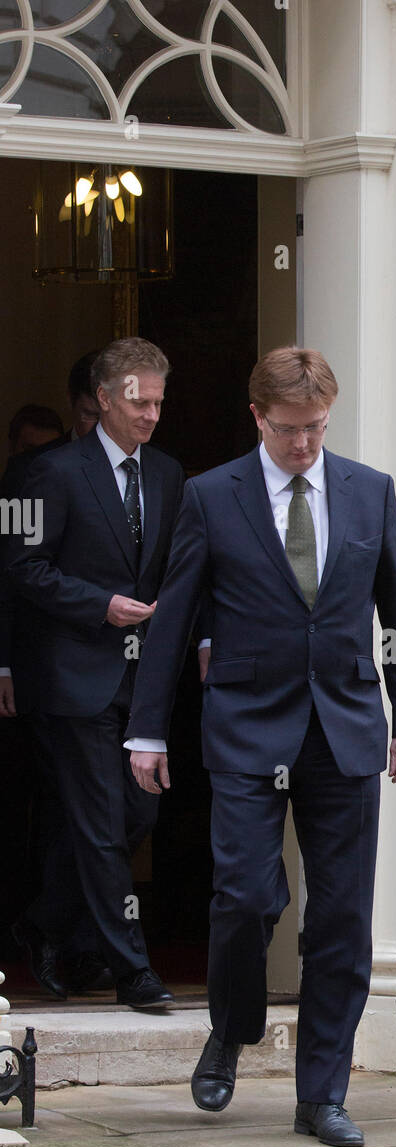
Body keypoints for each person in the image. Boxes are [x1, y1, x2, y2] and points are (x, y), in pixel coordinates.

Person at [125, 345, 396, 1147]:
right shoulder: (209, 497)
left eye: (319, 428)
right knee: (247, 898)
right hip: (248, 728)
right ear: (258, 417)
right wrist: (147, 729)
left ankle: (321, 1095)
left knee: (341, 921)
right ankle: (231, 1028)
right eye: (291, 429)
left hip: (346, 731)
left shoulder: (369, 492)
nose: (305, 445)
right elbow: (174, 620)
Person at [4, 338, 186, 1008]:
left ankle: (47, 920)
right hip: (76, 673)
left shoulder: (167, 473)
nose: (151, 416)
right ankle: (132, 968)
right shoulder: (52, 472)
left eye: (159, 403)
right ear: (105, 399)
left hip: (145, 681)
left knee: (139, 811)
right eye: (140, 402)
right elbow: (23, 568)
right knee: (102, 821)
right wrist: (98, 606)